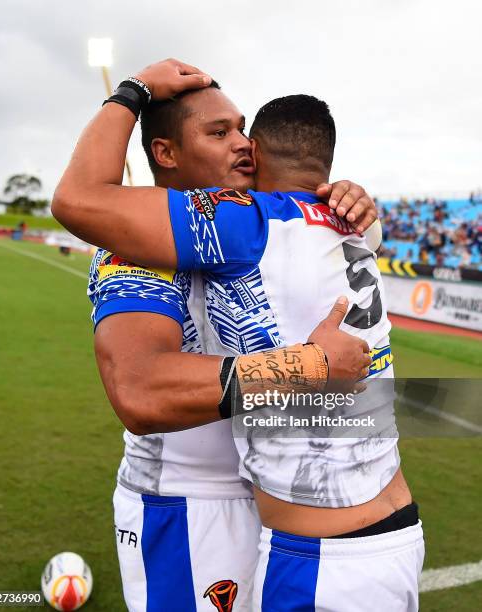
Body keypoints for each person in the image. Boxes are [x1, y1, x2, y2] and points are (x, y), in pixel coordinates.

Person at [53, 60, 377, 611]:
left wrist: (348, 202)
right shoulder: (133, 248)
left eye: (243, 128)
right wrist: (134, 92)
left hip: (272, 498)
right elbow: (140, 392)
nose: (245, 145)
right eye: (219, 132)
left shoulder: (250, 223)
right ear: (166, 153)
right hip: (187, 504)